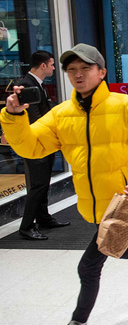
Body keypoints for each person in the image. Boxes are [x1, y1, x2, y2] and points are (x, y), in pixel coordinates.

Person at [0, 43, 128, 325]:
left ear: (102, 72)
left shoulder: (126, 106)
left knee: (89, 265)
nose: (77, 75)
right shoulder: (62, 114)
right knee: (116, 246)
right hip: (92, 204)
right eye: (71, 70)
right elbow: (32, 146)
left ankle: (77, 324)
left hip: (125, 199)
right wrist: (15, 117)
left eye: (85, 68)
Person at [17, 50, 70, 240]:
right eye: (52, 64)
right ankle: (26, 227)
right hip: (35, 145)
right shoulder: (26, 86)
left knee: (43, 184)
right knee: (38, 186)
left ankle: (44, 218)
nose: (54, 68)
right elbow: (33, 119)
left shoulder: (37, 84)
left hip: (43, 144)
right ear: (43, 66)